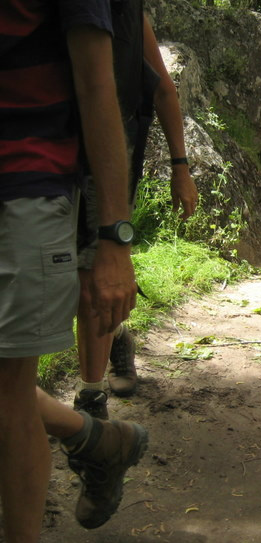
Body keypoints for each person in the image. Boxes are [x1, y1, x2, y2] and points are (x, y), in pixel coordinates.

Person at [0, 4, 149, 543]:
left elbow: (106, 82)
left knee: (9, 389)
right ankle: (96, 437)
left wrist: (112, 237)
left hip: (23, 186)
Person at [74, 7, 199, 417]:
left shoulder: (128, 12)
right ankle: (119, 332)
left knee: (92, 271)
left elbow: (163, 89)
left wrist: (180, 167)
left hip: (108, 154)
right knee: (69, 277)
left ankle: (91, 396)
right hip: (47, 150)